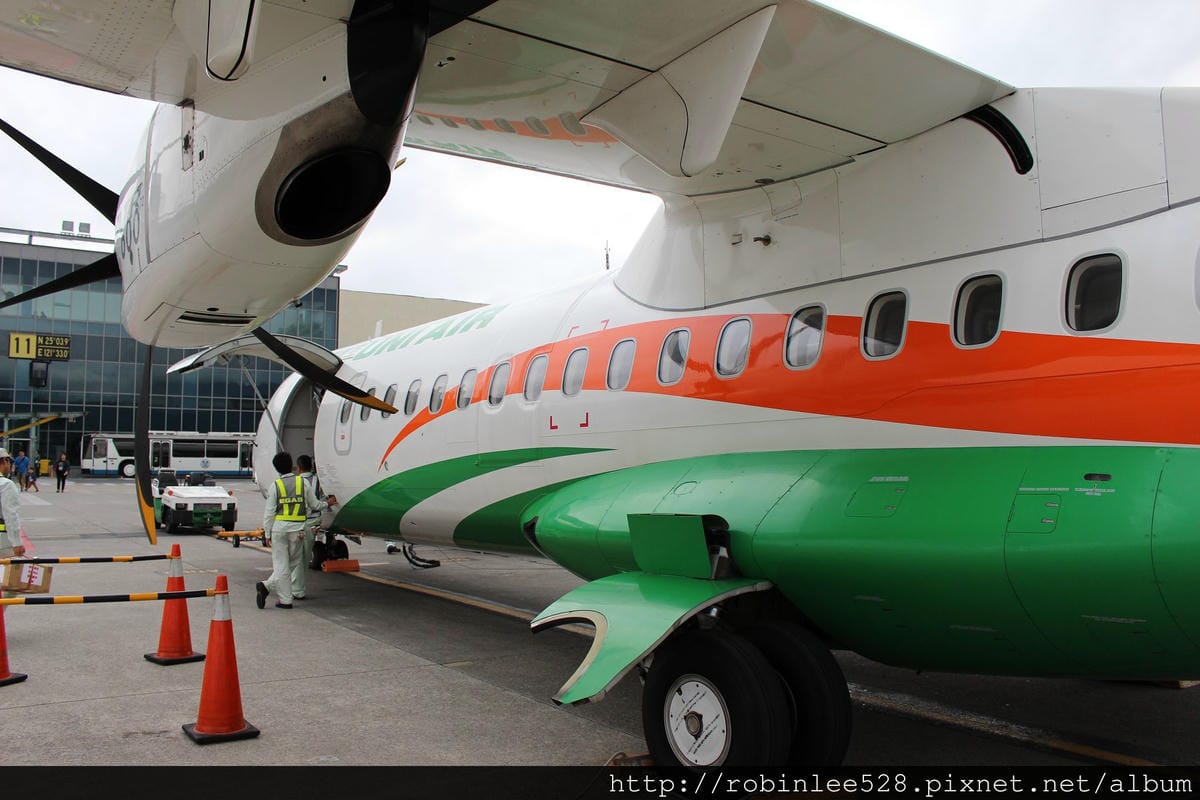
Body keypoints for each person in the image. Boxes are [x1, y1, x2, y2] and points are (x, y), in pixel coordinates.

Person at [256, 451, 335, 609]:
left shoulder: (275, 486)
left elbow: (269, 513)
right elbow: (315, 505)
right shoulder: (302, 483)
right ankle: (270, 588)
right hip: (298, 530)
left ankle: (278, 594)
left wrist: (267, 533)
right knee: (292, 563)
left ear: (277, 469)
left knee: (281, 564)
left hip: (279, 530)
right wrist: (328, 503)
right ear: (292, 465)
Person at [293, 454, 324, 599]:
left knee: (294, 558)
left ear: (298, 468)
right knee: (303, 559)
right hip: (311, 524)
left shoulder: (294, 482)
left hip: (295, 524)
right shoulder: (317, 480)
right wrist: (328, 503)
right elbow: (318, 503)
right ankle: (296, 589)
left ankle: (292, 588)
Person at [0, 448, 25, 560]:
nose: (9, 466)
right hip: (2, 540)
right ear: (4, 461)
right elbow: (10, 514)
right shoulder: (6, 485)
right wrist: (17, 543)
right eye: (9, 462)